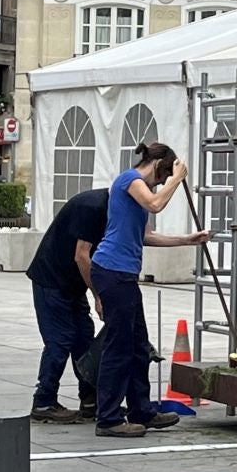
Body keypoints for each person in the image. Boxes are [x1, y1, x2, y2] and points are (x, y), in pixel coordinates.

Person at [30, 183, 209, 423]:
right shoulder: (92, 205)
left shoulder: (126, 205)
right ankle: (44, 400)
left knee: (84, 338)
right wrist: (99, 295)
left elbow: (145, 236)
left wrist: (187, 239)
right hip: (51, 279)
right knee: (60, 340)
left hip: (75, 284)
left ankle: (90, 400)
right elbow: (81, 256)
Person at [90, 143, 198, 438]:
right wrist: (177, 178)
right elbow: (156, 203)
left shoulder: (139, 192)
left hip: (123, 274)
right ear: (158, 164)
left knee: (139, 347)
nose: (162, 182)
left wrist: (187, 240)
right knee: (119, 347)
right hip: (112, 272)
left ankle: (141, 411)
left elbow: (146, 236)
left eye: (166, 180)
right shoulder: (129, 180)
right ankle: (109, 418)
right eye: (162, 176)